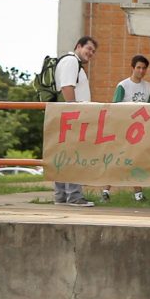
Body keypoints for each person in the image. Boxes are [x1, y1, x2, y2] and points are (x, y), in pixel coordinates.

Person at [102, 55, 150, 202]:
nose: (141, 70)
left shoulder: (148, 87)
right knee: (116, 159)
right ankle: (106, 190)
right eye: (138, 67)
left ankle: (138, 194)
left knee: (136, 160)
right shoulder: (123, 86)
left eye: (144, 68)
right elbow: (115, 107)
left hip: (139, 130)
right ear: (132, 68)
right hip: (122, 129)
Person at [54, 36, 98, 207]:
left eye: (93, 51)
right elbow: (67, 87)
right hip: (72, 117)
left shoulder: (71, 62)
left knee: (64, 156)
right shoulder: (72, 62)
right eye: (88, 49)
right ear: (78, 46)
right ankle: (73, 196)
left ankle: (62, 196)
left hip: (66, 116)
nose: (91, 53)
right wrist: (74, 112)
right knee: (74, 156)